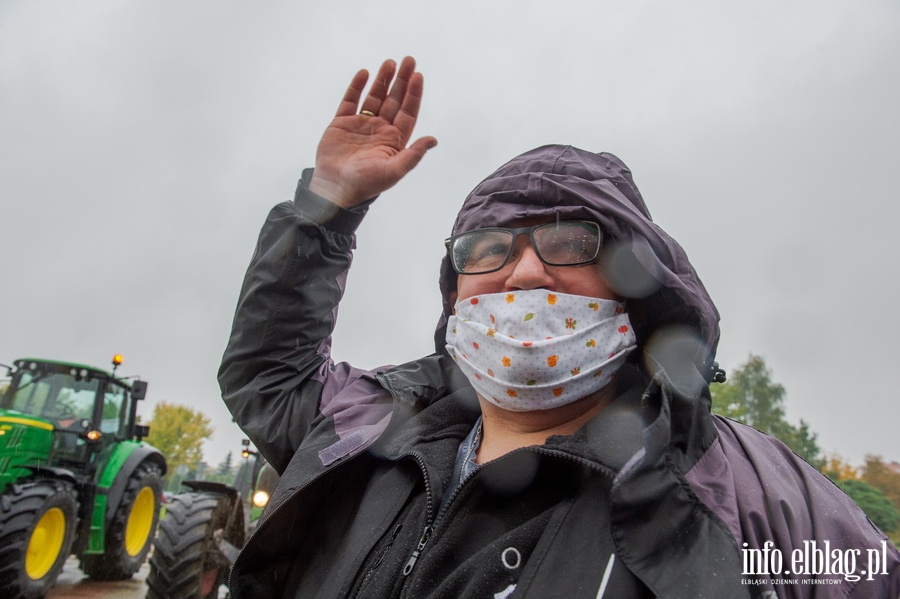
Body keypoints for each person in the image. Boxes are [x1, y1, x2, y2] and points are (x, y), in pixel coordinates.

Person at [219, 56, 899, 598]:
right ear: (455, 291)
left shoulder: (745, 492)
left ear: (636, 284)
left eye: (569, 242)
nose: (519, 273)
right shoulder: (366, 429)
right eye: (487, 249)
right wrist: (327, 208)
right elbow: (270, 375)